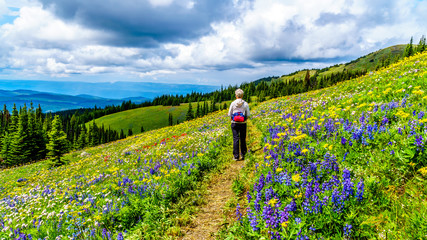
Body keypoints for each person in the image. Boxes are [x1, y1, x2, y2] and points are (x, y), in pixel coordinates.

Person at [228, 89, 250, 161]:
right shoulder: (245, 103)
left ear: (236, 95)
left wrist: (232, 118)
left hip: (234, 123)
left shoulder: (233, 103)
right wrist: (245, 119)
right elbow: (248, 114)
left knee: (236, 139)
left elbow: (229, 114)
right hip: (243, 123)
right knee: (242, 138)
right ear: (242, 95)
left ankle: (236, 156)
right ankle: (243, 154)